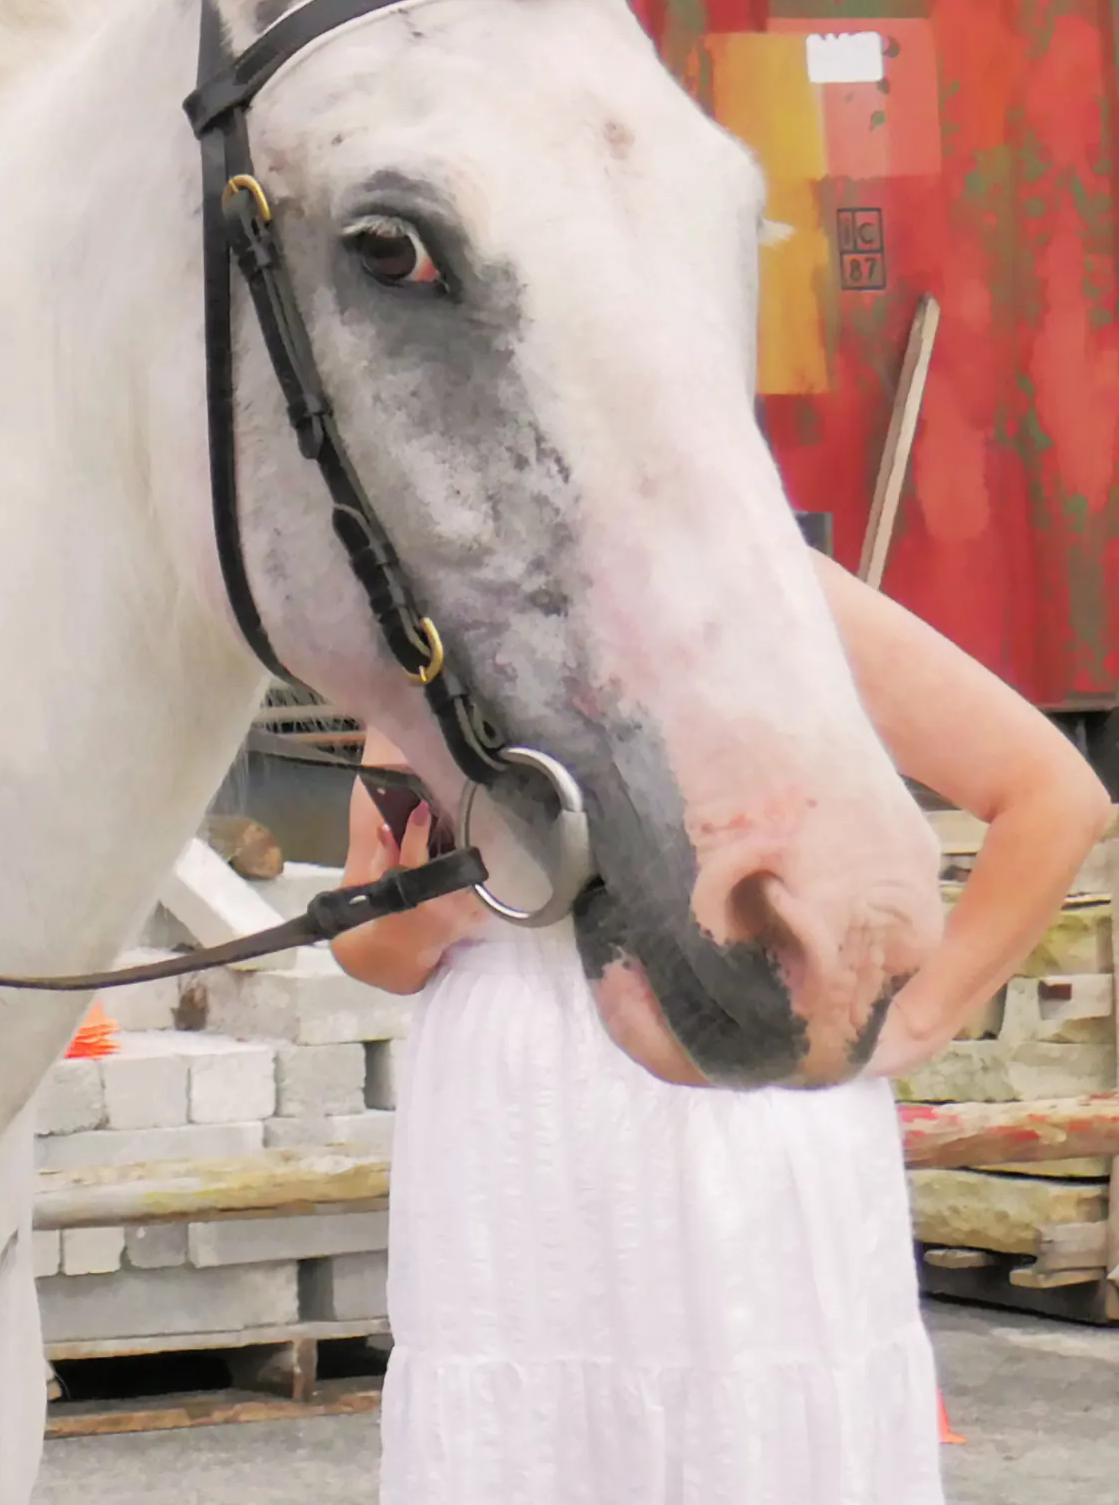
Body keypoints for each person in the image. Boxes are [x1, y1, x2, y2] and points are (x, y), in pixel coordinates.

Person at [337, 550, 1110, 1504]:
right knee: (526, 1450)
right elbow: (366, 937)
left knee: (744, 1436)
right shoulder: (437, 609)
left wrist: (915, 1020)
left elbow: (1050, 795)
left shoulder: (759, 580)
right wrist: (424, 918)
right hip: (512, 1131)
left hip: (730, 1087)